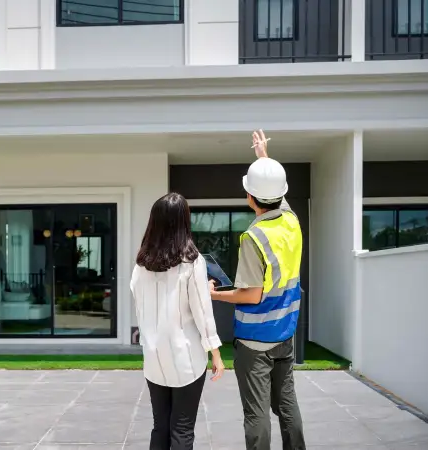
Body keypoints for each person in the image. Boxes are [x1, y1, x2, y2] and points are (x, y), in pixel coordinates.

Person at [209, 130, 305, 450]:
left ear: (249, 198)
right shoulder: (291, 222)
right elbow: (275, 194)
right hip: (285, 334)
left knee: (257, 413)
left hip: (255, 342)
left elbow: (251, 295)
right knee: (287, 406)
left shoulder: (254, 238)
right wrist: (263, 158)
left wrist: (213, 294)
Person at [131, 192, 224, 450]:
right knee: (182, 430)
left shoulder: (141, 264)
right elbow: (203, 312)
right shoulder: (192, 263)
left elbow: (140, 307)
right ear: (183, 222)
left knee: (160, 427)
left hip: (153, 356)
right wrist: (215, 352)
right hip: (186, 359)